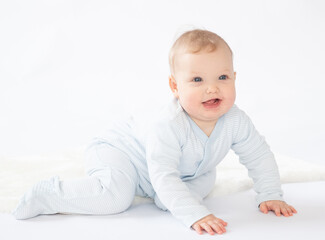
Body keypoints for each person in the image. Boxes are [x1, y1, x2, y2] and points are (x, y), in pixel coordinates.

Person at [12, 28, 297, 235]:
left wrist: (270, 193)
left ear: (235, 77)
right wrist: (195, 214)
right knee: (115, 198)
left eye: (222, 77)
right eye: (197, 79)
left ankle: (167, 198)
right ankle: (48, 194)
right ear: (175, 86)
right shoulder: (169, 125)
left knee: (201, 183)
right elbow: (163, 174)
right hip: (122, 153)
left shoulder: (236, 120)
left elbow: (258, 155)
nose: (212, 88)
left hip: (183, 171)